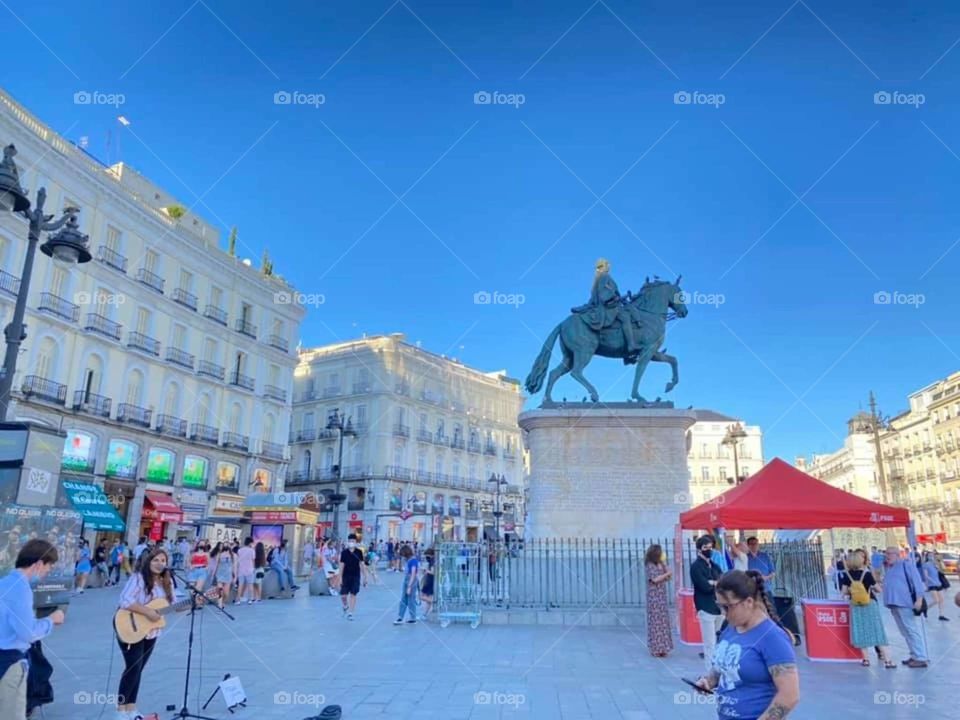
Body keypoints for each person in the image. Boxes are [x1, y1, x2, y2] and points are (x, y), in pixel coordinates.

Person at [695, 570, 800, 720]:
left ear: (749, 602)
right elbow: (722, 669)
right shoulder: (730, 629)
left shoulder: (772, 637)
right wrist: (708, 681)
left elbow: (790, 695)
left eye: (728, 607)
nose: (724, 613)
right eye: (720, 606)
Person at [115, 547, 197, 719]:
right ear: (148, 561)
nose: (160, 564)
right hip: (130, 626)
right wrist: (147, 612)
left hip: (150, 632)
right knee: (132, 668)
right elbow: (125, 599)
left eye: (163, 561)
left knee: (139, 669)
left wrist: (195, 602)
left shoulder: (167, 583)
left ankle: (131, 708)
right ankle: (120, 711)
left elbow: (174, 606)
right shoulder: (138, 578)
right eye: (156, 560)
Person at [0, 540, 66, 719]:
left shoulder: (4, 582)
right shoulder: (20, 589)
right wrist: (51, 620)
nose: (47, 572)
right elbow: (27, 633)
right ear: (38, 564)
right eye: (48, 567)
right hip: (9, 662)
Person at [838, 550, 895, 668]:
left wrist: (853, 591)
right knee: (877, 631)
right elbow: (878, 589)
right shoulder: (867, 574)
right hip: (870, 604)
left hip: (856, 606)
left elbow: (843, 592)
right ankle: (888, 661)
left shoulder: (847, 575)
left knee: (861, 630)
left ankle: (866, 659)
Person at [881, 546, 929, 668]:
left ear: (897, 554)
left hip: (905, 602)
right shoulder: (888, 568)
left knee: (911, 629)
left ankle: (921, 656)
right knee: (905, 631)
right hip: (894, 603)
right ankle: (914, 654)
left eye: (890, 554)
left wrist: (919, 599)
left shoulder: (906, 565)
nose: (887, 556)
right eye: (886, 554)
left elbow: (917, 582)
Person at [690, 535, 723, 672]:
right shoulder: (696, 567)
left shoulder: (714, 566)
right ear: (699, 549)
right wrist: (713, 583)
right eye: (705, 547)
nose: (709, 550)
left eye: (711, 547)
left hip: (719, 609)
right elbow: (704, 586)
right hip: (705, 607)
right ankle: (710, 673)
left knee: (719, 642)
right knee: (709, 643)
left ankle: (718, 670)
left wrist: (714, 583)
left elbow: (722, 581)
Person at [644, 544, 673, 658]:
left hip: (661, 596)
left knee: (663, 622)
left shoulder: (660, 564)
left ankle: (664, 647)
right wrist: (666, 574)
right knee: (656, 622)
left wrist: (665, 566)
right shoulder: (650, 566)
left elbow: (667, 578)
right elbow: (655, 579)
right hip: (654, 597)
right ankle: (655, 648)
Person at [337, 534, 368, 620]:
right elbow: (341, 565)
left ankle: (351, 613)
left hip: (355, 576)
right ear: (348, 542)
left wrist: (365, 577)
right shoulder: (344, 553)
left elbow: (362, 564)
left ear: (356, 542)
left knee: (353, 594)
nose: (351, 543)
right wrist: (339, 577)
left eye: (353, 541)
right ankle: (345, 605)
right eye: (350, 541)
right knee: (343, 595)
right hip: (345, 576)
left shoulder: (359, 552)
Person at [394, 544, 420, 624]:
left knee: (410, 599)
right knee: (404, 599)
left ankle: (412, 617)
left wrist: (409, 586)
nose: (402, 557)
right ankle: (401, 616)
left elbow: (413, 573)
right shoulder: (411, 560)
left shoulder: (413, 561)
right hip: (408, 579)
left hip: (410, 580)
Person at [921, 551, 949, 622]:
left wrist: (940, 562)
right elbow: (926, 576)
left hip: (938, 583)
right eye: (930, 555)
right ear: (927, 557)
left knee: (941, 600)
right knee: (936, 600)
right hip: (932, 585)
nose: (931, 557)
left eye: (932, 555)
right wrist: (933, 582)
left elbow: (943, 570)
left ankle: (941, 615)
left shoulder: (935, 564)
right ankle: (925, 608)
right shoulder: (925, 565)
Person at [210, 542, 235, 610]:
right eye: (225, 545)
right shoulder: (219, 554)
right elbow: (216, 565)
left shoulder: (232, 555)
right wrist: (213, 574)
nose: (226, 546)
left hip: (228, 575)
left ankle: (222, 602)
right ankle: (220, 605)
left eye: (227, 545)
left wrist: (234, 576)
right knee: (220, 590)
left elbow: (233, 566)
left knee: (226, 593)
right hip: (220, 574)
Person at [236, 538, 255, 605]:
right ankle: (250, 599)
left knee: (240, 585)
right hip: (249, 570)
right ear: (250, 543)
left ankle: (238, 600)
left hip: (241, 570)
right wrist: (253, 568)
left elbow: (238, 561)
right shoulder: (252, 551)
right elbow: (253, 560)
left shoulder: (239, 550)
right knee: (250, 585)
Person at [420, 548, 436, 620]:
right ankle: (424, 614)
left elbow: (433, 572)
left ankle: (435, 603)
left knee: (421, 596)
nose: (426, 557)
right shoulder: (432, 561)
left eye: (427, 555)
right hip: (429, 580)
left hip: (430, 581)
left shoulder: (433, 562)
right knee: (427, 598)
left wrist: (426, 570)